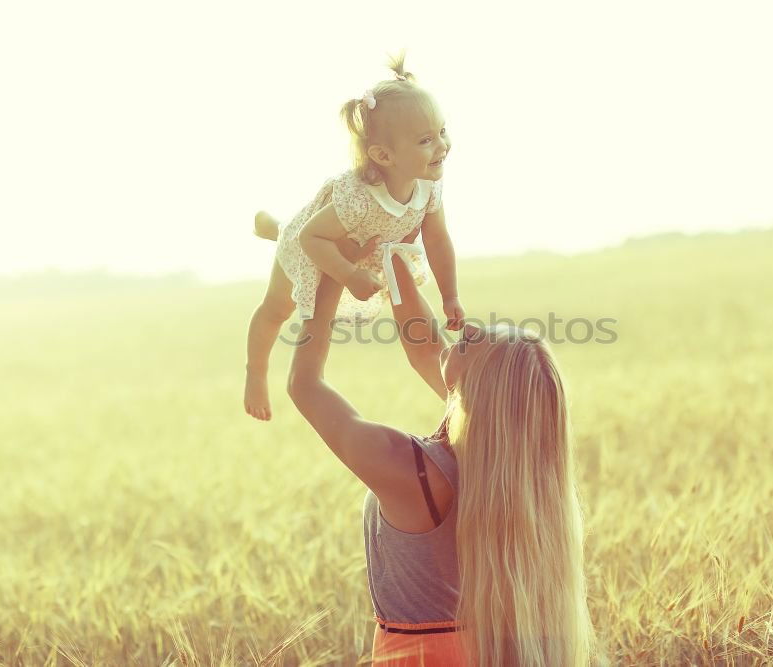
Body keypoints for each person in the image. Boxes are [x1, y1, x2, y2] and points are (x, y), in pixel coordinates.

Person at [286, 256, 603, 664]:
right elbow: (424, 349)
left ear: (478, 388)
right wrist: (388, 253)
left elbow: (304, 384)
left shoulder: (407, 467)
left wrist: (329, 271)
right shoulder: (510, 464)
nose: (464, 327)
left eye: (470, 343)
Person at [245, 49, 465, 420]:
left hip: (371, 254)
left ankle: (271, 226)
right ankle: (255, 371)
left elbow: (438, 241)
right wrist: (347, 275)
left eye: (442, 132)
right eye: (426, 140)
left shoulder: (429, 187)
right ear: (383, 155)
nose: (442, 145)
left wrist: (450, 296)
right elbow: (311, 239)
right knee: (276, 308)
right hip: (318, 249)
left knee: (416, 322)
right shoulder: (360, 199)